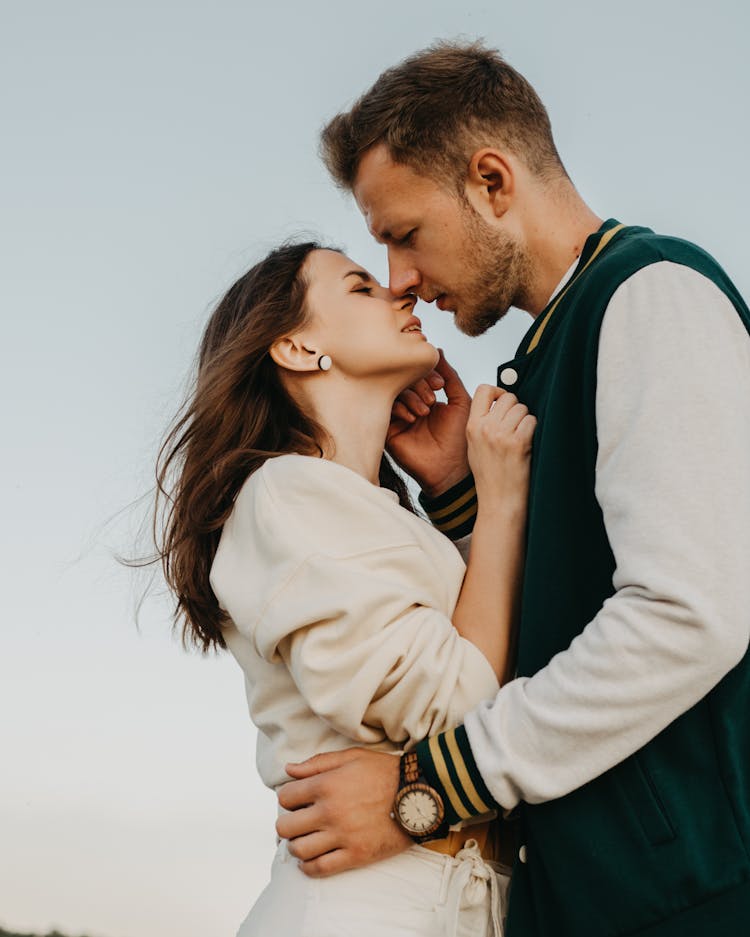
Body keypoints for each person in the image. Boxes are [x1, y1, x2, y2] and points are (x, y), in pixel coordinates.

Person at [275, 41, 750, 937]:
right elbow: (562, 613)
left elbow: (687, 615)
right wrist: (463, 494)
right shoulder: (543, 354)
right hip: (578, 900)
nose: (400, 279)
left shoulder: (654, 296)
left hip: (691, 896)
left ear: (492, 182)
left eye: (404, 234)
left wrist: (426, 787)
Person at [152, 238, 538, 935]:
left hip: (444, 897)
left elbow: (498, 652)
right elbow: (457, 699)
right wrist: (502, 497)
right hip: (366, 906)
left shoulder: (363, 509)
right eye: (361, 286)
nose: (400, 292)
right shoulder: (285, 493)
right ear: (297, 348)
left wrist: (454, 488)